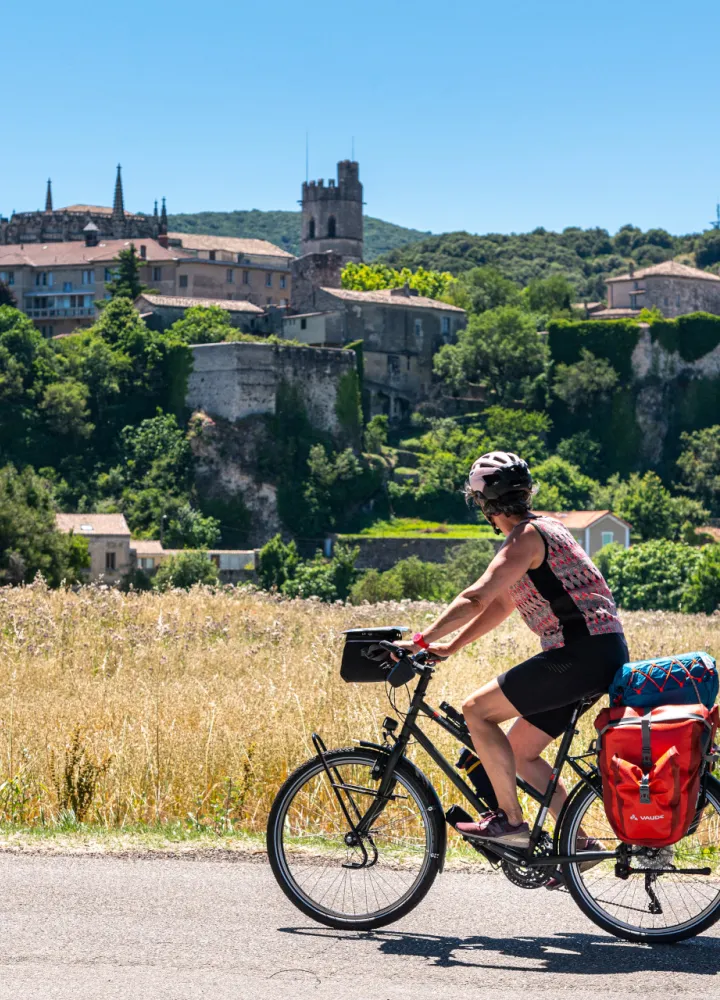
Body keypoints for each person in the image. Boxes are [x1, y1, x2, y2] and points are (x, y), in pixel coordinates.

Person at [393, 450, 628, 855]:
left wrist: (419, 640)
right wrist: (448, 646)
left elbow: (477, 597)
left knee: (476, 711)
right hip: (599, 654)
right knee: (520, 753)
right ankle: (580, 843)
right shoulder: (541, 532)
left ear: (482, 504)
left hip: (579, 654)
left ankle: (510, 822)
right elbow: (501, 604)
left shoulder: (525, 539)